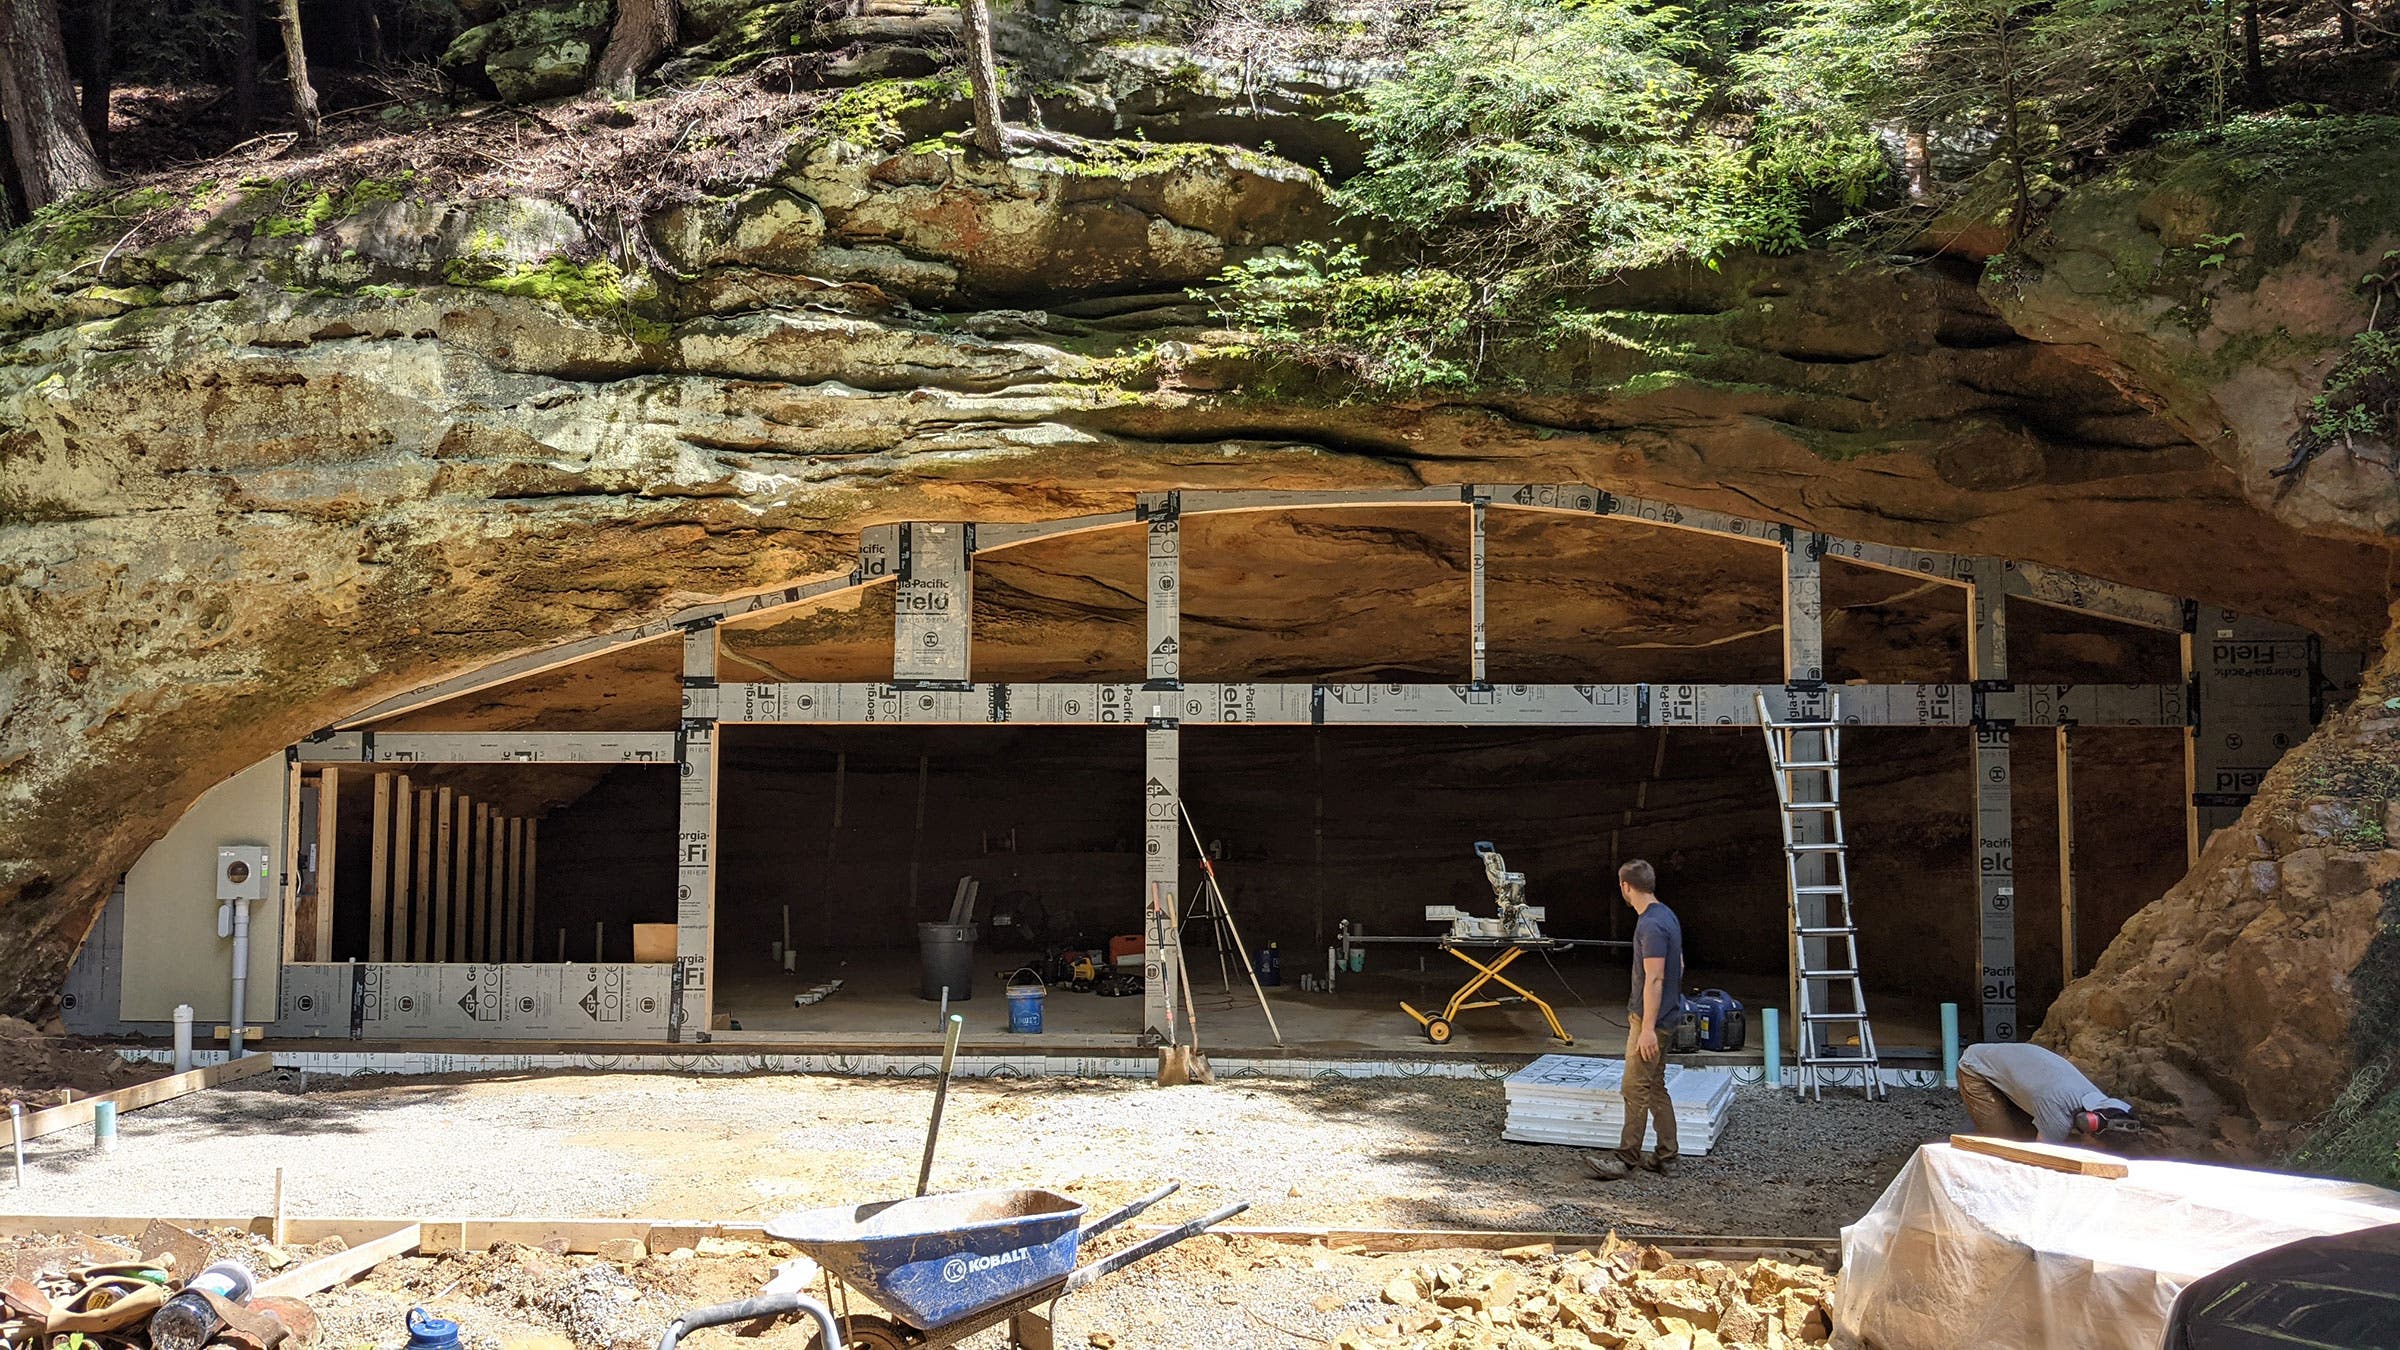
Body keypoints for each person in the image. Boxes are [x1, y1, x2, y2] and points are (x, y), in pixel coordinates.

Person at [1587, 859, 1683, 1181]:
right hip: (1666, 1017)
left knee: (1634, 1088)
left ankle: (1626, 1159)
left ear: (1626, 887)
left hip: (1651, 1022)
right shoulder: (1666, 915)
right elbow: (1678, 965)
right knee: (1656, 1087)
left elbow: (1655, 979)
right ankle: (1667, 1158)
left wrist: (1648, 1029)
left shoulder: (1650, 925)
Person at [1956, 1041, 2142, 1146]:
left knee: (2024, 1135)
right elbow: (2038, 1160)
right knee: (2004, 1145)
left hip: (2018, 1068)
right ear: (2087, 1124)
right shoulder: (2057, 1113)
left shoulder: (2100, 1101)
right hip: (1976, 1068)